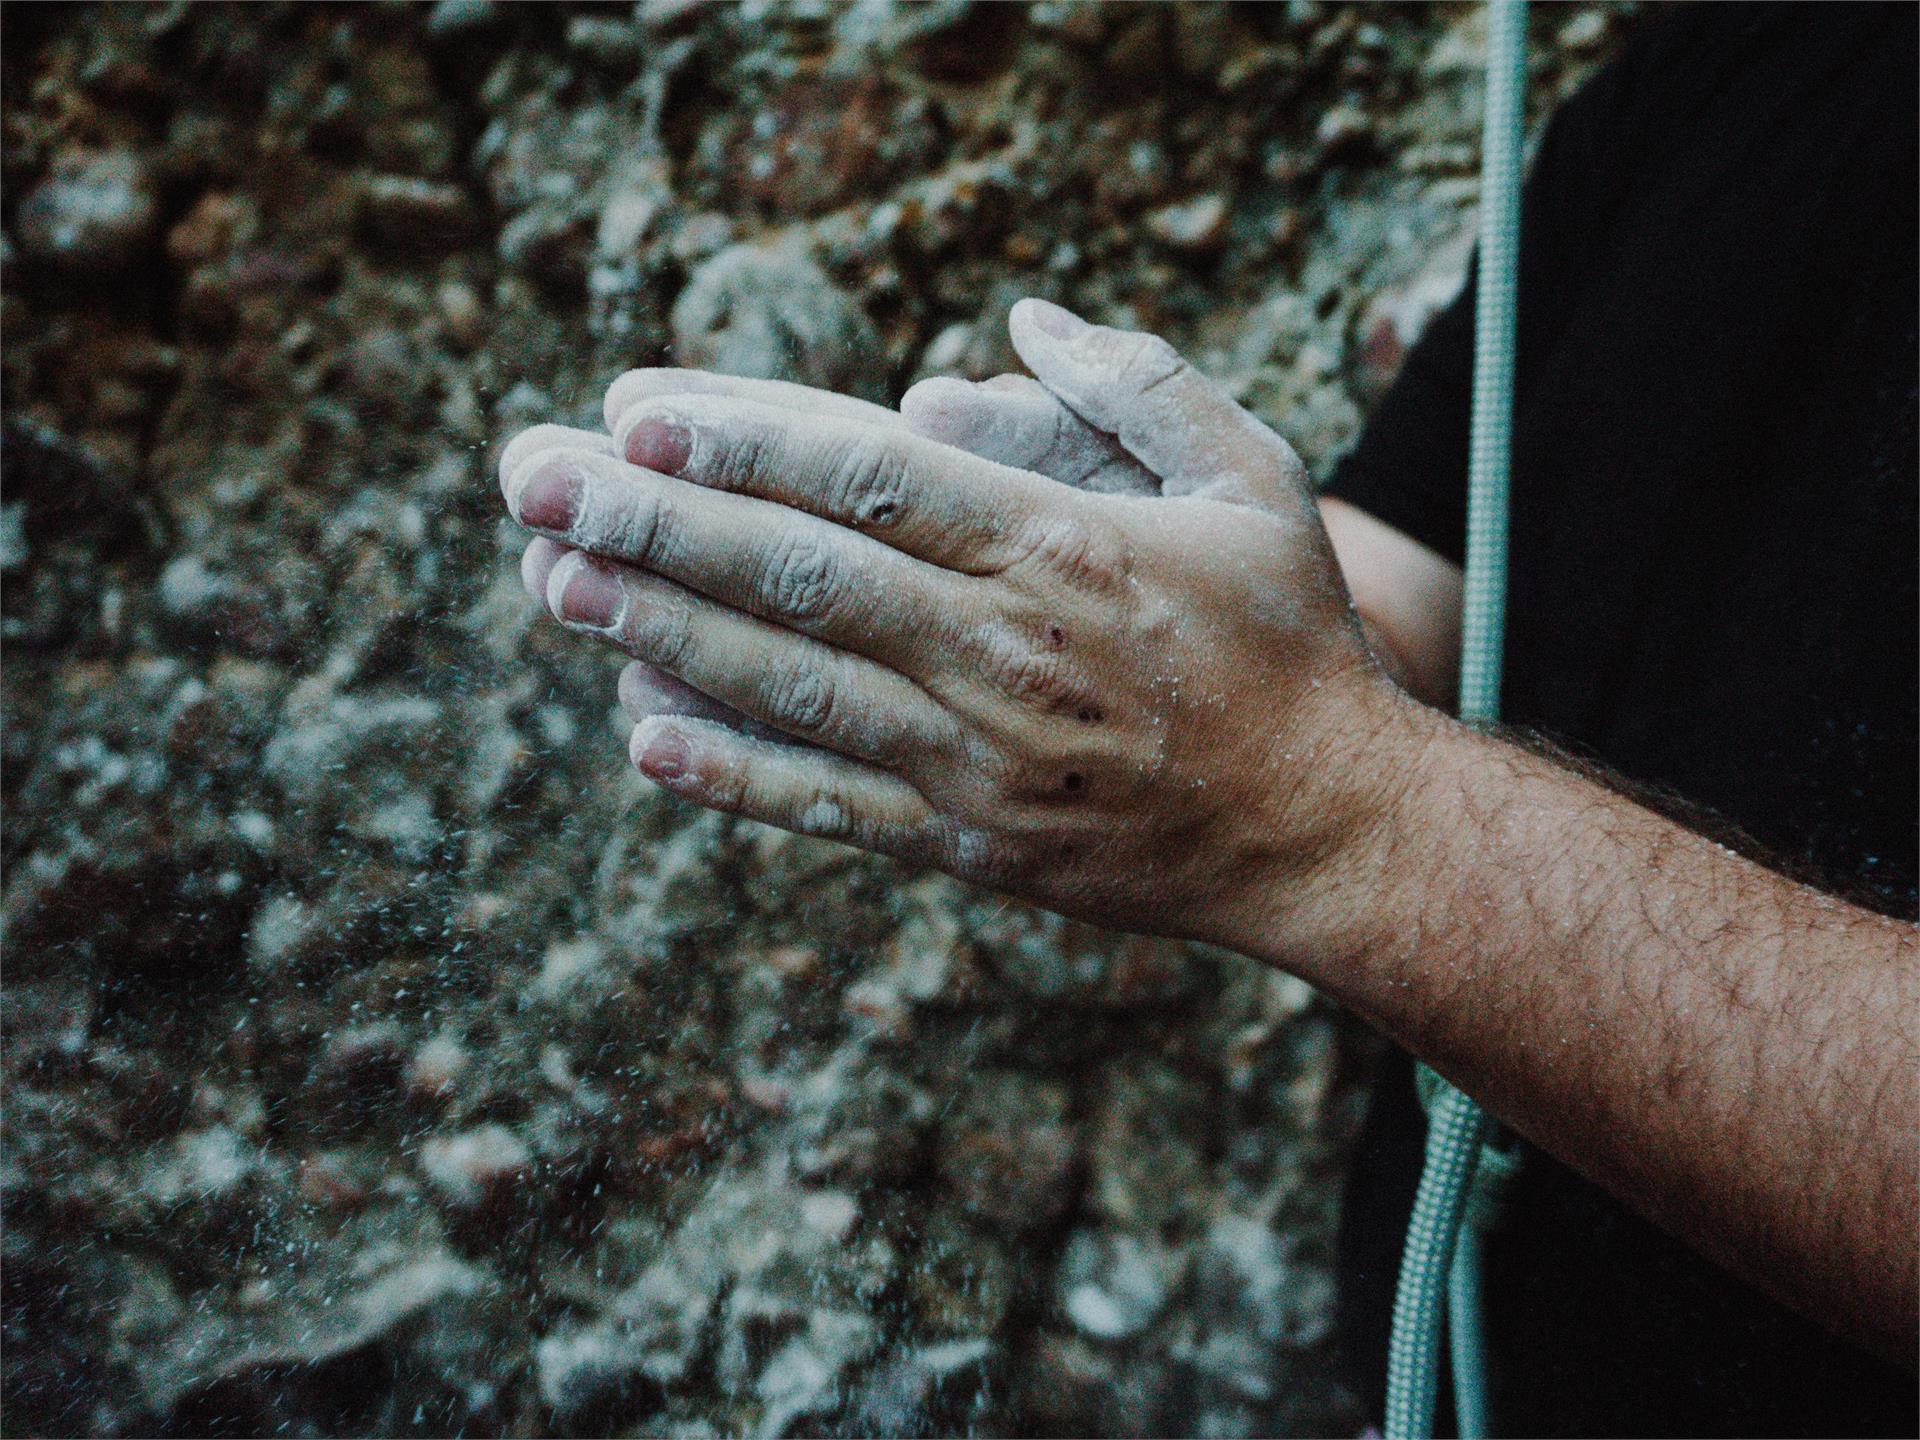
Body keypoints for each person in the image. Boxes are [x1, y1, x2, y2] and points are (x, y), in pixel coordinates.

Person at [496, 4, 1915, 1433]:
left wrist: (1323, 801)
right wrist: (1085, 590)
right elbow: (1401, 597)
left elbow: (1335, 750)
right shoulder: (1725, 68)